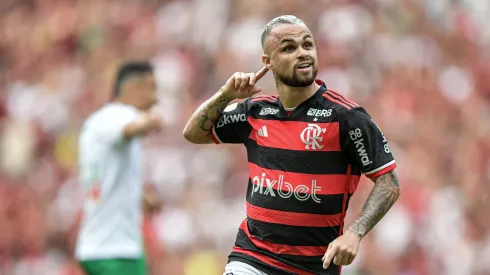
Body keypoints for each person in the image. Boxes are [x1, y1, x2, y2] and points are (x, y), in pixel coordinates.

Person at [183, 15, 401, 275]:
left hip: (313, 268)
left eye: (307, 45)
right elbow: (193, 133)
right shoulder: (256, 111)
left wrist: (355, 234)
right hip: (252, 258)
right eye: (289, 48)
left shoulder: (346, 117)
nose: (302, 53)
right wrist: (225, 95)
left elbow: (389, 182)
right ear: (268, 62)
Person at [76, 62, 163, 275]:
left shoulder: (97, 123)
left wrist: (141, 196)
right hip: (115, 250)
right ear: (135, 88)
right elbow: (130, 128)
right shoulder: (119, 114)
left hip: (98, 246)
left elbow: (108, 175)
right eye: (152, 88)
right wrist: (149, 122)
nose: (156, 98)